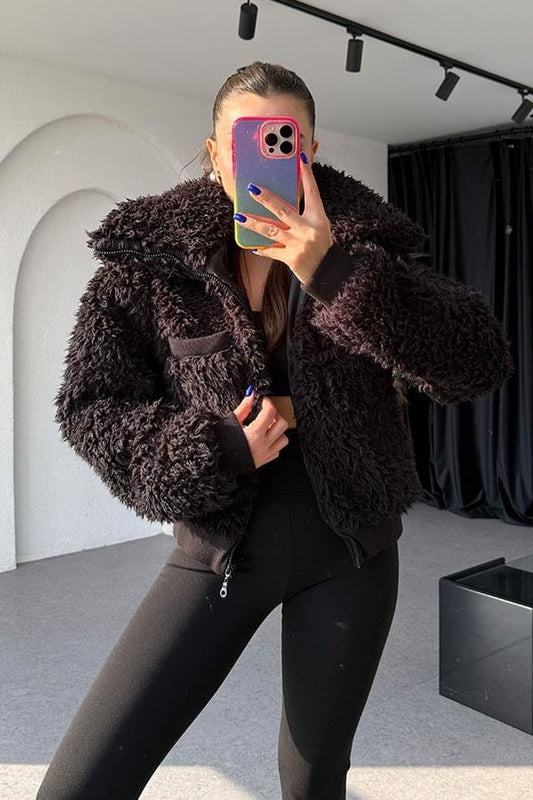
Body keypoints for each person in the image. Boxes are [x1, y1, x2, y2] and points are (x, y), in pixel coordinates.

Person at [36, 61, 514, 800]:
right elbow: (91, 405)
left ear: (309, 150)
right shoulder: (151, 264)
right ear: (216, 152)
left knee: (313, 779)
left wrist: (334, 274)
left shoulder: (365, 249)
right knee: (83, 783)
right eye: (245, 141)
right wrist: (216, 448)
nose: (263, 156)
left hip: (350, 549)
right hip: (221, 547)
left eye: (283, 139)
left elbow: (477, 360)